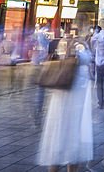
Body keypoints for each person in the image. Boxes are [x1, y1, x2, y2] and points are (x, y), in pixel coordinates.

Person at [36, 36, 94, 172]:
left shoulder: (60, 43)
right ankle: (69, 167)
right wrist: (84, 45)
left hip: (61, 94)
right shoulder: (79, 46)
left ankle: (56, 166)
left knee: (58, 132)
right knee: (72, 134)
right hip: (73, 96)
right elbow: (86, 58)